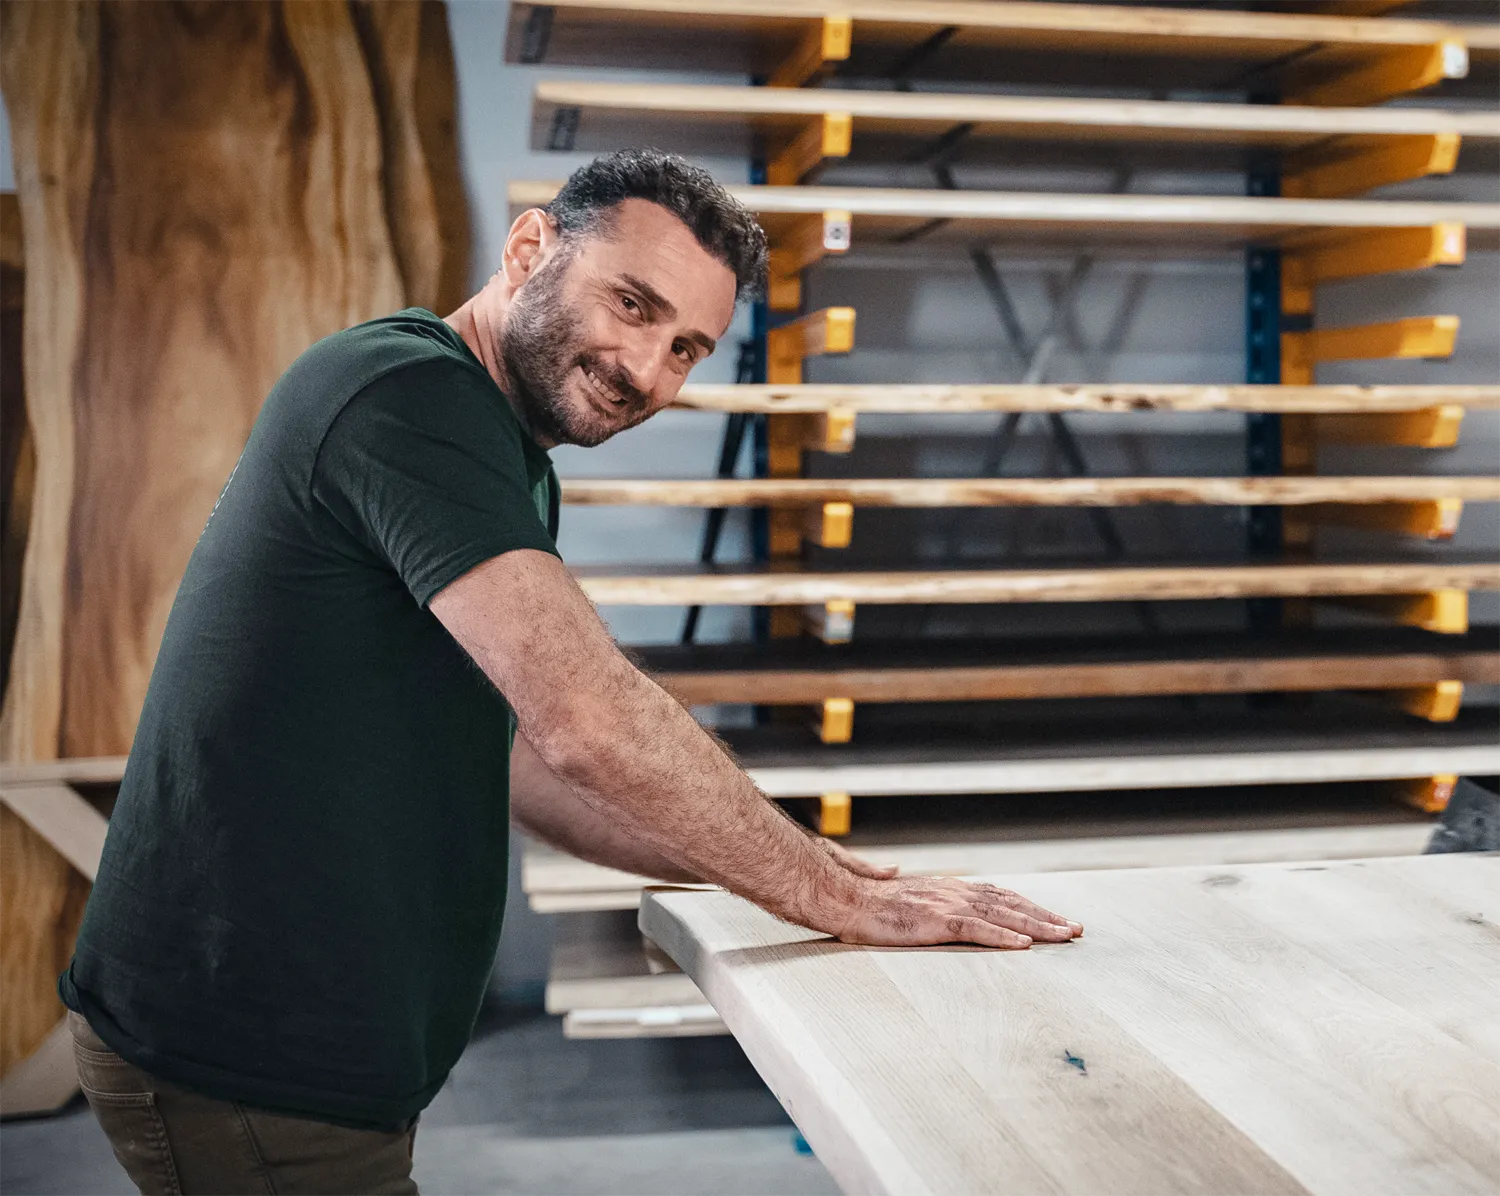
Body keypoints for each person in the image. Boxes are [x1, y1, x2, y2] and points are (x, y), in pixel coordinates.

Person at [60, 150, 1082, 1194]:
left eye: (687, 345)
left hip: (298, 1050)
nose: (648, 369)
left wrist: (798, 865)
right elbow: (587, 718)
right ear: (529, 247)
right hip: (245, 1054)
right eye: (632, 304)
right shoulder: (410, 394)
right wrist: (825, 892)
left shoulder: (507, 454)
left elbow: (516, 757)